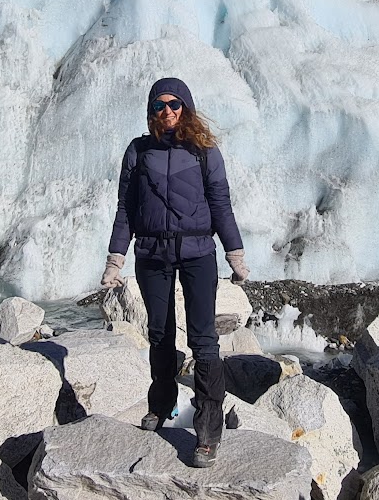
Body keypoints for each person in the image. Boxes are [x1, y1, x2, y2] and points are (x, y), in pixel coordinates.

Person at [102, 77, 248, 468]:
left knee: (203, 341)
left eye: (174, 105)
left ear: (186, 107)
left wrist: (235, 254)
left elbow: (221, 203)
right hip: (151, 253)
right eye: (159, 106)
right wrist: (115, 259)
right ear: (151, 110)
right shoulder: (137, 151)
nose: (167, 111)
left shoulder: (204, 151)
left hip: (199, 253)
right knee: (160, 333)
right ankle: (162, 403)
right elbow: (125, 209)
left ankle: (208, 429)